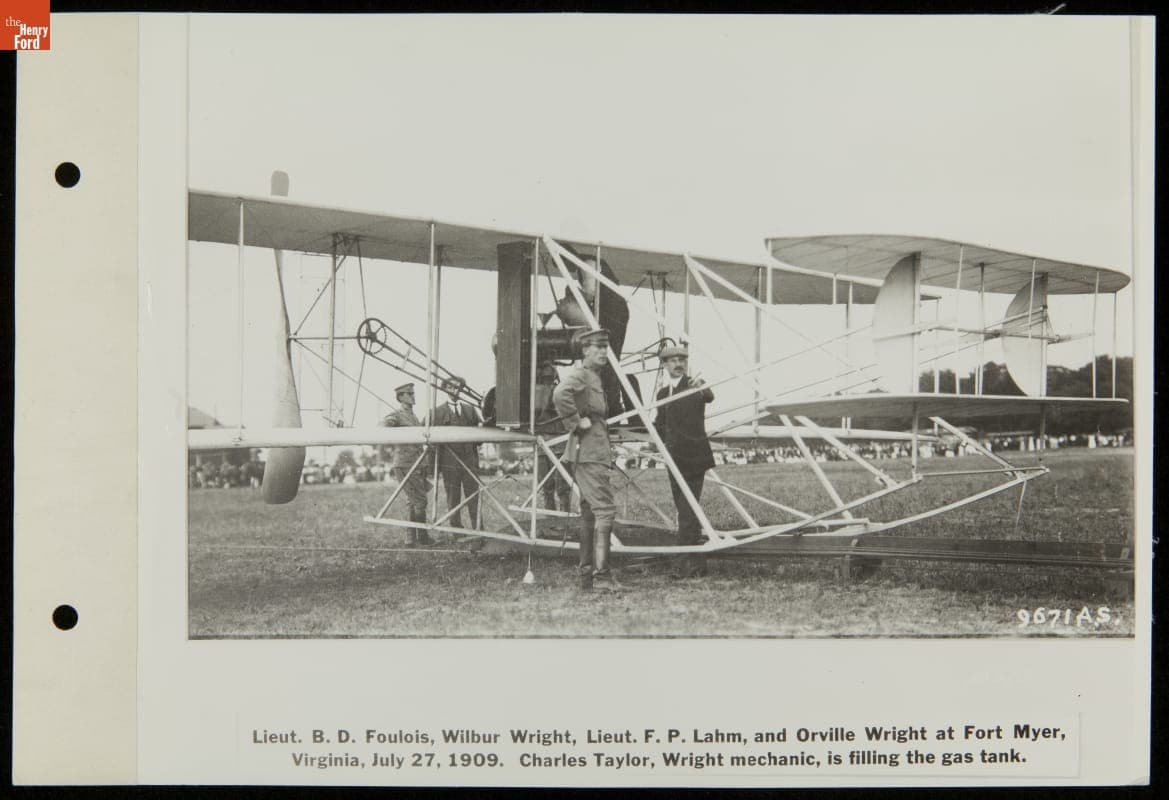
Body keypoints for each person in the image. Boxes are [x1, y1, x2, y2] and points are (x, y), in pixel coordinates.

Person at [553, 328, 620, 591]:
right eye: (598, 347)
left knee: (590, 513)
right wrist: (574, 421)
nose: (604, 352)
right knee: (605, 510)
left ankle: (586, 576)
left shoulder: (594, 377)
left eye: (605, 347)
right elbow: (560, 394)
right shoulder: (582, 375)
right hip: (589, 453)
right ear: (584, 350)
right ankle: (601, 577)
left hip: (591, 452)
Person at [655, 344, 715, 577]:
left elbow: (708, 396)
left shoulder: (693, 386)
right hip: (673, 458)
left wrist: (703, 388)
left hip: (693, 456)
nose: (678, 364)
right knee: (686, 511)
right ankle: (698, 564)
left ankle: (681, 565)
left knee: (687, 511)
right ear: (665, 364)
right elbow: (660, 423)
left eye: (682, 359)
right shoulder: (661, 394)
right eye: (673, 360)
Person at [380, 382, 433, 545]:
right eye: (409, 394)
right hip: (406, 463)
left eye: (413, 394)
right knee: (420, 501)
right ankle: (422, 537)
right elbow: (383, 425)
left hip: (417, 463)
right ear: (401, 397)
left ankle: (412, 538)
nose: (413, 397)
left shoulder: (413, 415)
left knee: (413, 501)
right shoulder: (397, 414)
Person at [430, 376, 482, 529]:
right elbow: (427, 436)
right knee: (453, 497)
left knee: (474, 495)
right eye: (451, 387)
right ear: (445, 389)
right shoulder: (437, 412)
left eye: (458, 387)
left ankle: (478, 527)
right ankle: (456, 529)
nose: (454, 390)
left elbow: (480, 434)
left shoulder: (470, 409)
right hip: (449, 463)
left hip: (469, 461)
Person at [533, 361, 572, 513]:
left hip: (555, 441)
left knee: (558, 485)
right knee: (549, 485)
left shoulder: (548, 392)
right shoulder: (555, 391)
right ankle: (554, 518)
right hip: (549, 441)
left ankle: (559, 518)